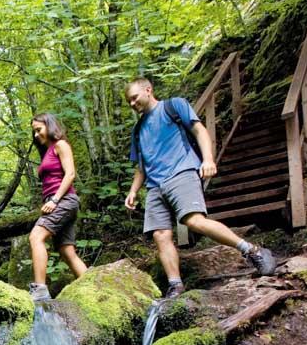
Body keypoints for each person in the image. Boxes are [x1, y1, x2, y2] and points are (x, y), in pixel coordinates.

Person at [124, 77, 275, 299]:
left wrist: (208, 160)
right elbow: (141, 166)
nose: (132, 103)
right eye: (129, 101)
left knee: (193, 221)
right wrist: (133, 191)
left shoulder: (173, 106)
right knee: (160, 234)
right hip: (155, 186)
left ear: (148, 90)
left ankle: (252, 251)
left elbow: (199, 131)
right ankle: (175, 285)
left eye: (134, 98)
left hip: (182, 172)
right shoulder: (138, 131)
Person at [28, 113, 87, 302]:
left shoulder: (61, 145)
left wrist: (54, 200)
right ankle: (93, 286)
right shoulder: (47, 152)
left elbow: (70, 174)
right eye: (34, 132)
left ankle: (40, 290)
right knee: (66, 251)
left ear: (49, 126)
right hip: (58, 200)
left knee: (36, 236)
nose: (36, 135)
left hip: (64, 200)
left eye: (39, 129)